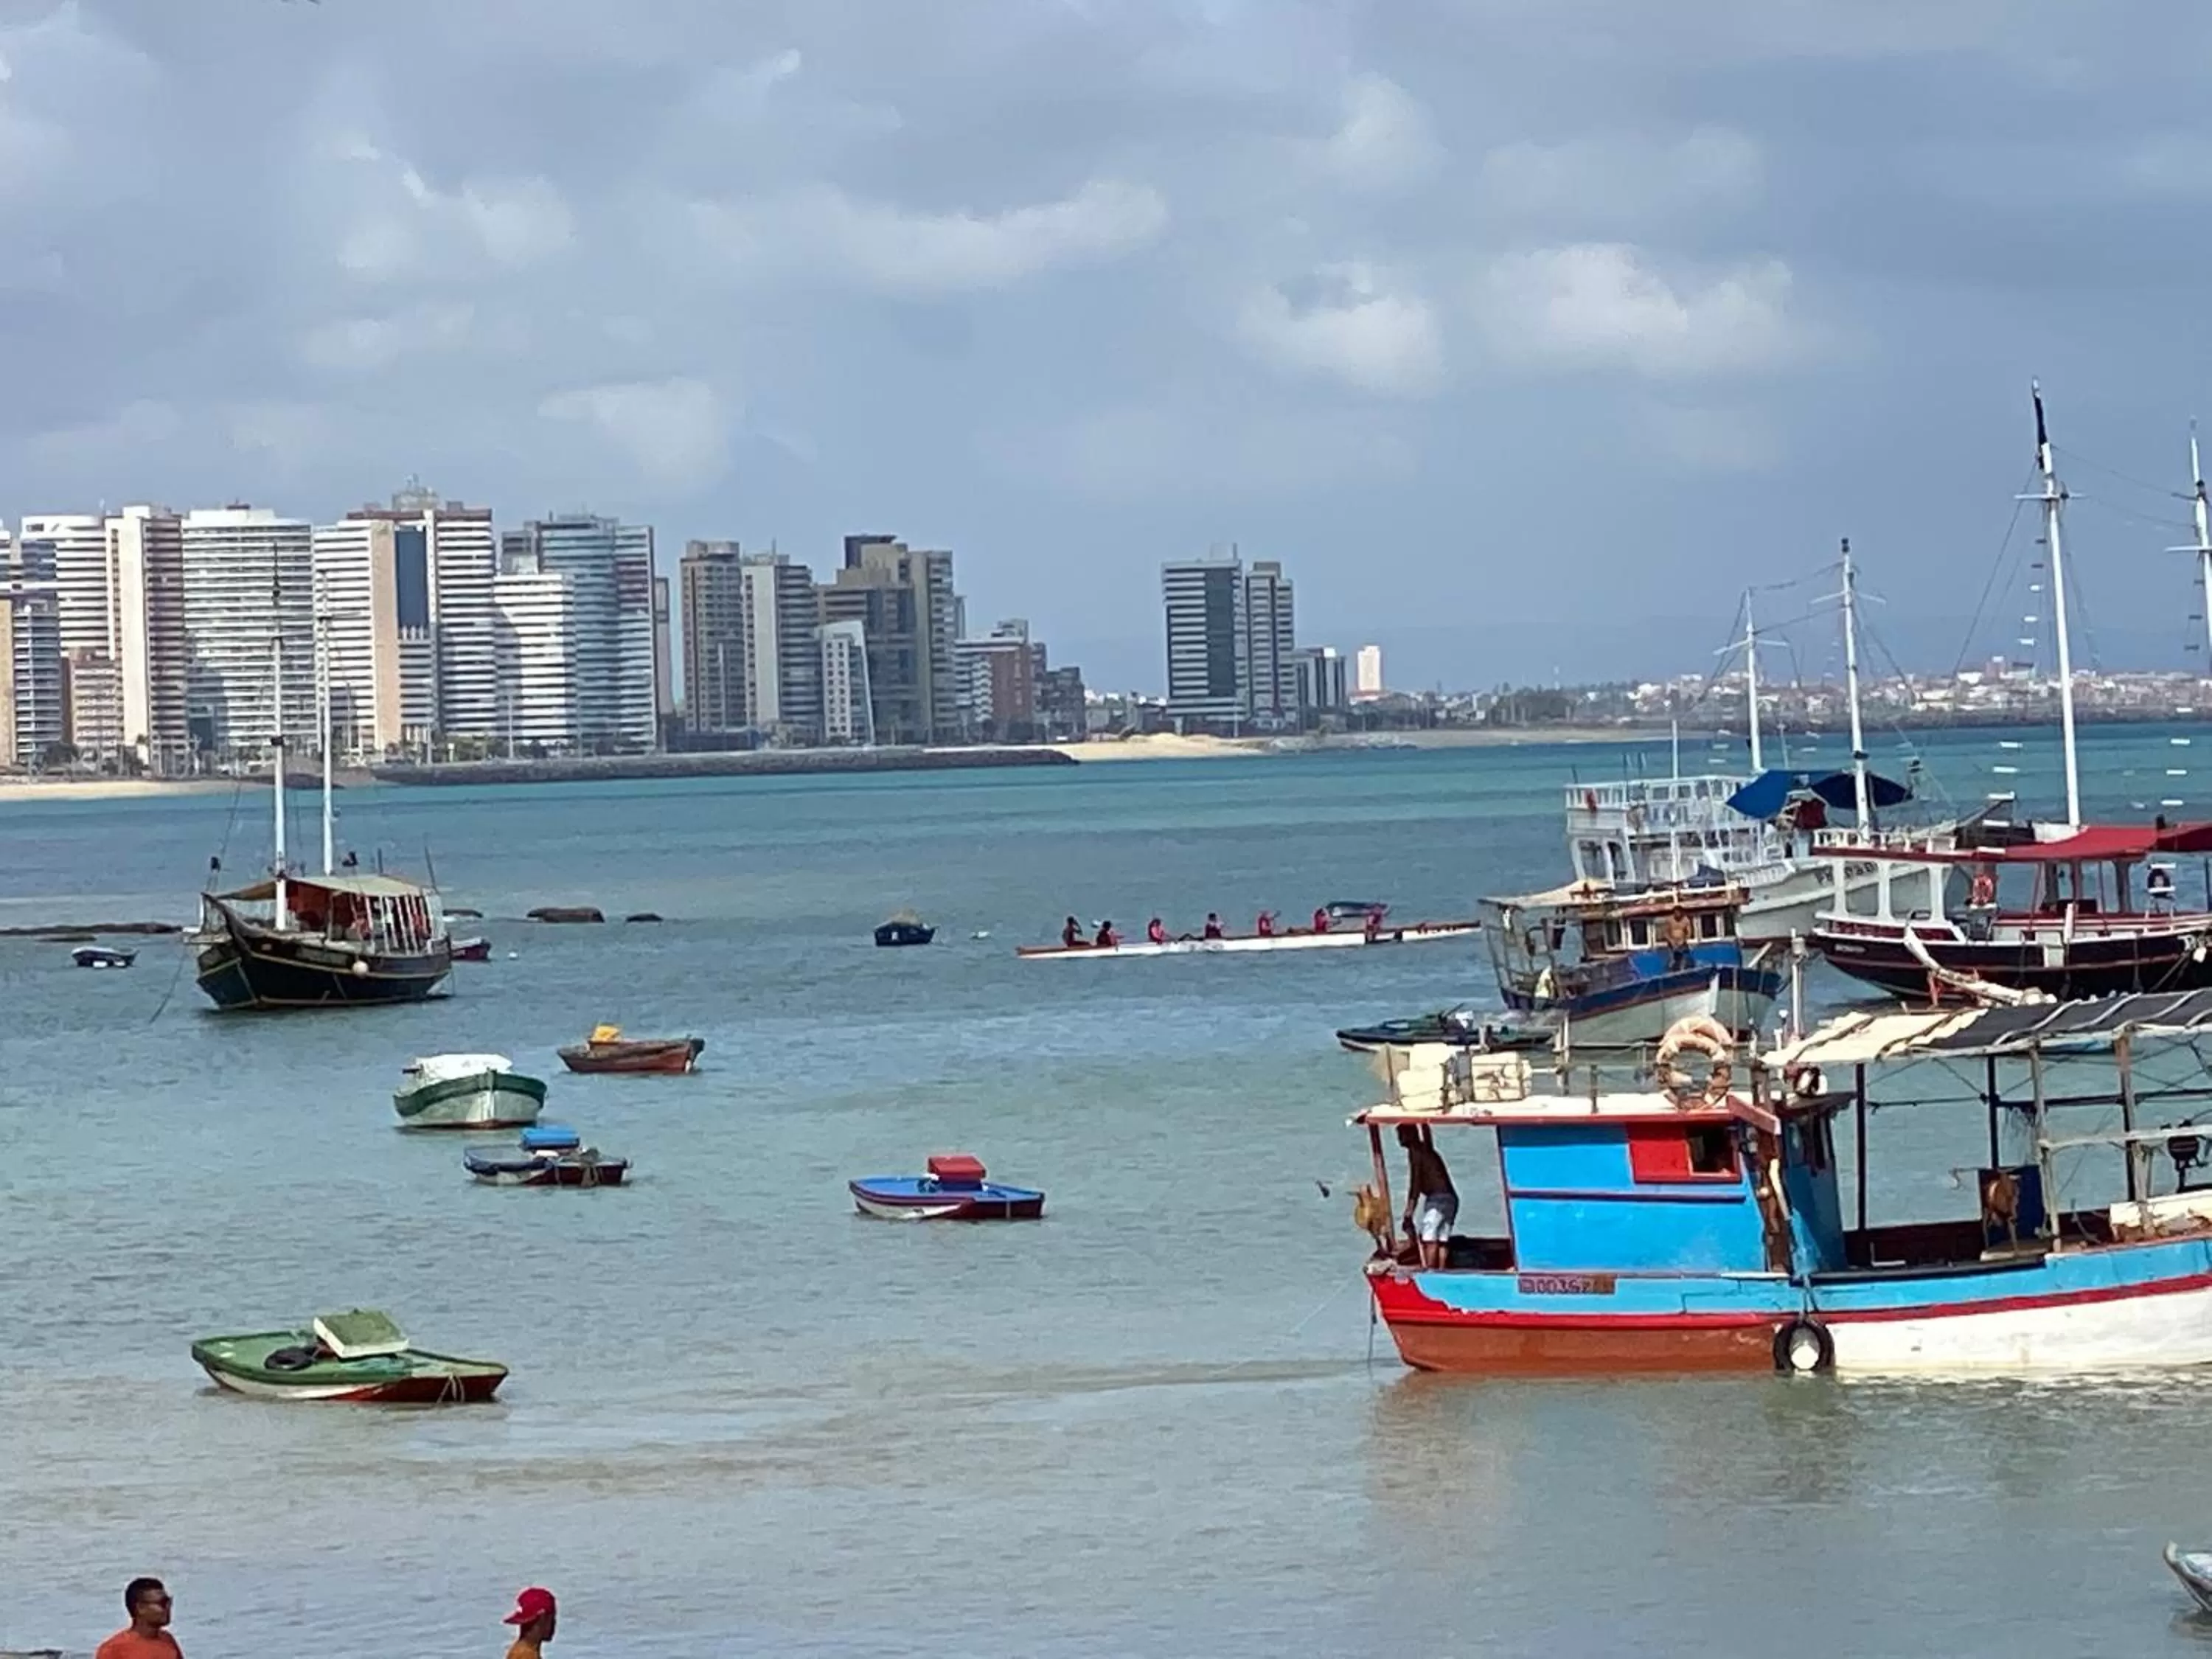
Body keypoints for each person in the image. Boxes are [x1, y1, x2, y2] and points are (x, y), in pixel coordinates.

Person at [1397, 1123, 1458, 1270]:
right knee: (1443, 1239)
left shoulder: (1416, 1152)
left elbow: (1415, 1183)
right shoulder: (1426, 1149)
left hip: (1438, 1198)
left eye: (1401, 1135)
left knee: (1429, 1238)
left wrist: (1409, 1211)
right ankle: (1441, 1270)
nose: (1399, 1139)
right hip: (1451, 1197)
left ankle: (1430, 1271)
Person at [97, 1577, 181, 1659]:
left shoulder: (168, 1640)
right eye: (163, 1603)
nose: (168, 1607)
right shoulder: (114, 1649)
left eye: (169, 1602)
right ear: (141, 1608)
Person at [503, 1587, 557, 1659]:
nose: (554, 1623)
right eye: (552, 1617)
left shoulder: (519, 1650)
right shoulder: (527, 1655)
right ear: (542, 1618)